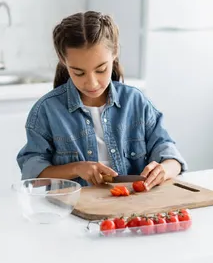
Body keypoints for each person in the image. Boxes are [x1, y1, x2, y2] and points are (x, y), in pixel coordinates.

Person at [16, 11, 187, 189]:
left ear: (114, 53)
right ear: (63, 60)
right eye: (78, 72)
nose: (92, 82)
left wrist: (164, 169)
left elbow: (169, 153)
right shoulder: (47, 110)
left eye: (101, 69)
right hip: (72, 211)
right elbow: (33, 174)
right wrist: (76, 168)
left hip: (131, 209)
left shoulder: (135, 102)